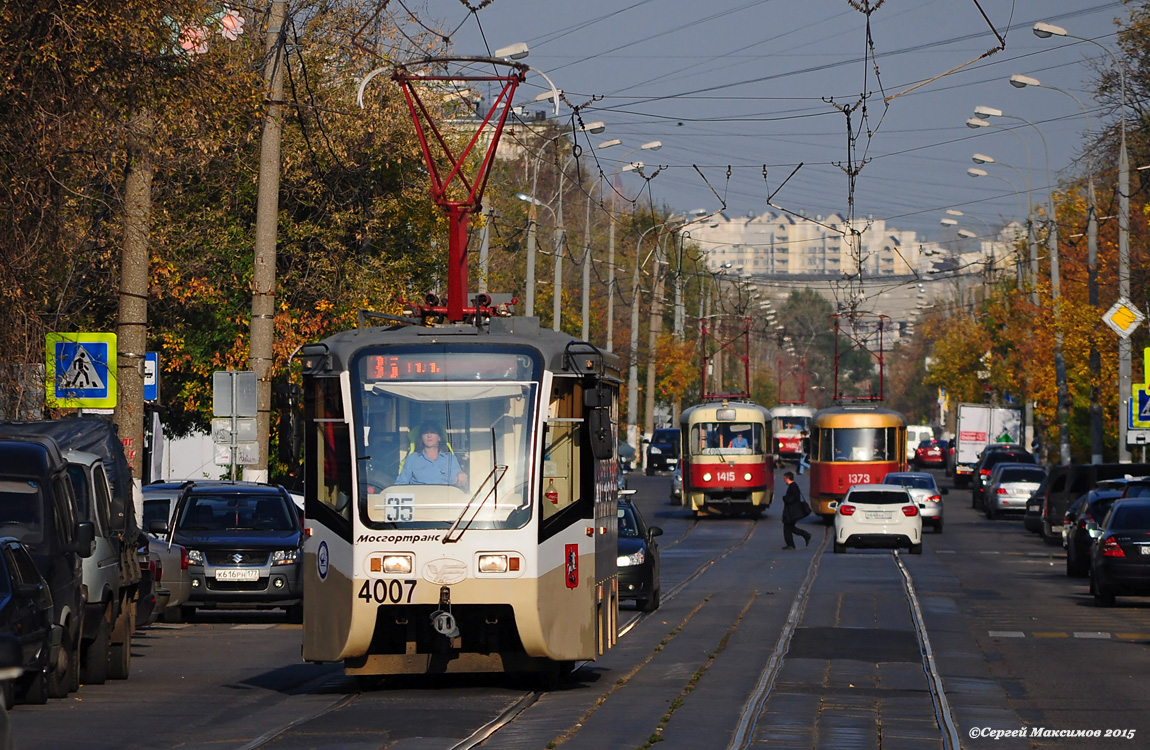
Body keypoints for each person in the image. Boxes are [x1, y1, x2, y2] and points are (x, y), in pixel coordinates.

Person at [396, 422, 467, 487]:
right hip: (420, 499)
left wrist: (461, 475)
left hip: (444, 499)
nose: (429, 435)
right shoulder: (412, 458)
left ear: (439, 438)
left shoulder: (450, 458)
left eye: (433, 432)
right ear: (421, 438)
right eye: (425, 433)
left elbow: (459, 484)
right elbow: (400, 484)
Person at [780, 471, 812, 550]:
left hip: (792, 512)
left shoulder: (793, 486)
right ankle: (803, 536)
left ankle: (793, 543)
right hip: (792, 511)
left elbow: (792, 498)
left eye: (785, 478)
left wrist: (785, 498)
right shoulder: (793, 486)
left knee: (787, 528)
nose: (784, 480)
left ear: (787, 478)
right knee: (790, 528)